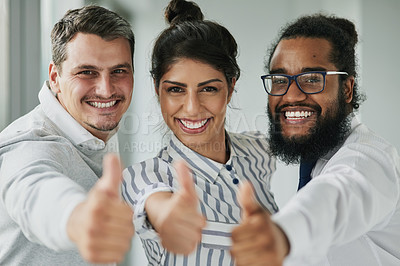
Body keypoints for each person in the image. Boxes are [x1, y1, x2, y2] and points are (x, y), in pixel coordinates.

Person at [230, 13, 400, 266]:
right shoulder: (317, 157)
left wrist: (283, 233)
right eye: (279, 80)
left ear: (347, 89)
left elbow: (338, 194)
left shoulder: (370, 158)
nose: (292, 95)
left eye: (311, 79)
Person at [121, 0, 278, 265]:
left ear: (230, 86)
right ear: (159, 90)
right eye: (176, 90)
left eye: (208, 89)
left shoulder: (260, 150)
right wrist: (168, 216)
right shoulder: (143, 177)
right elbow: (154, 203)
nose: (192, 109)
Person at [0, 5, 136, 265]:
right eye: (87, 72)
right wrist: (77, 217)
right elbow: (33, 189)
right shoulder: (29, 144)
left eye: (119, 71)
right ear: (55, 77)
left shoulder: (93, 130)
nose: (106, 90)